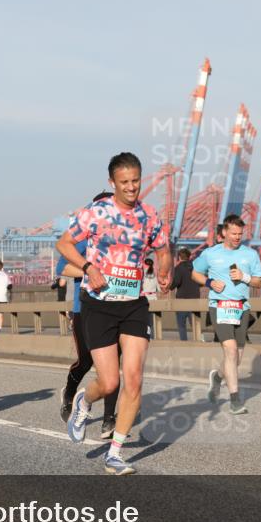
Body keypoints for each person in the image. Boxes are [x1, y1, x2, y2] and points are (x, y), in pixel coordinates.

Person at [56, 152, 171, 475]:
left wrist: (164, 269)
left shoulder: (150, 215)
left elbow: (163, 248)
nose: (132, 187)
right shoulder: (95, 212)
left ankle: (115, 453)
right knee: (109, 383)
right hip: (98, 305)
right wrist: (89, 267)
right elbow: (64, 244)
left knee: (133, 380)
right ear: (112, 183)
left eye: (136, 180)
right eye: (125, 182)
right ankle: (84, 401)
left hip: (134, 304)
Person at [55, 193, 121, 438]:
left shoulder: (122, 234)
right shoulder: (86, 234)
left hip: (116, 308)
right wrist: (91, 272)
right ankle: (70, 394)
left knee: (113, 367)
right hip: (85, 309)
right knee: (85, 362)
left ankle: (109, 419)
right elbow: (62, 268)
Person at [191, 214, 261, 414]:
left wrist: (245, 277)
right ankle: (235, 400)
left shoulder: (250, 254)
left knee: (236, 358)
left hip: (241, 308)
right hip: (219, 306)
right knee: (230, 351)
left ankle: (218, 377)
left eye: (240, 234)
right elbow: (195, 273)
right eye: (233, 233)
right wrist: (210, 283)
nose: (237, 237)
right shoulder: (210, 253)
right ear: (224, 232)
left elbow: (260, 281)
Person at [169, 248, 200, 341]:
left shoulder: (178, 268)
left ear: (179, 257)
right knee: (195, 324)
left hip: (182, 300)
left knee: (182, 325)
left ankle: (184, 342)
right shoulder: (195, 268)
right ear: (189, 256)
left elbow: (176, 282)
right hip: (195, 299)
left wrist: (170, 286)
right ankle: (198, 341)